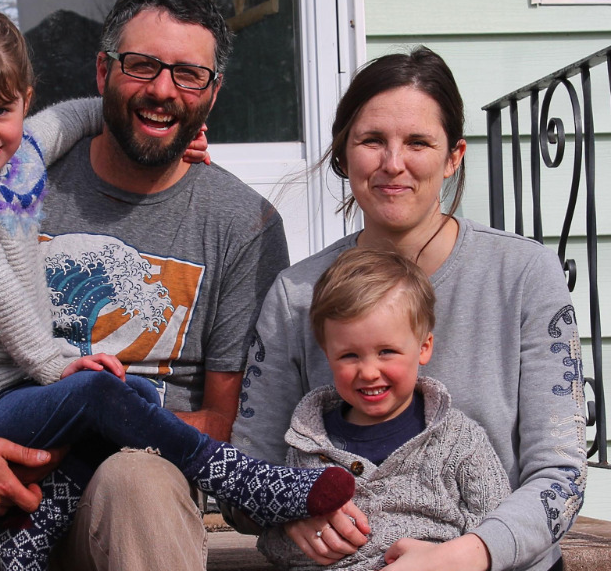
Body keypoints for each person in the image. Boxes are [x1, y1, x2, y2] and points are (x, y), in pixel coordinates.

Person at [0, 0, 300, 571]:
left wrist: (79, 433)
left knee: (140, 483)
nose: (161, 90)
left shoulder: (241, 223)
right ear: (102, 72)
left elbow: (219, 422)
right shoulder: (4, 173)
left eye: (188, 75)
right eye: (141, 66)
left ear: (212, 92)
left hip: (128, 489)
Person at [231, 46, 587, 571]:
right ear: (344, 154)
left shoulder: (524, 274)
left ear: (453, 157)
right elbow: (247, 475)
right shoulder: (295, 294)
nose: (392, 163)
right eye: (371, 140)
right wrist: (289, 513)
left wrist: (468, 555)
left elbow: (562, 474)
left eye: (418, 142)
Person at [256, 247, 512, 570]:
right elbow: (274, 543)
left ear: (423, 347)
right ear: (327, 352)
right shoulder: (309, 445)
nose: (369, 371)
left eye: (387, 351)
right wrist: (298, 533)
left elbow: (498, 528)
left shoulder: (458, 440)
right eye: (350, 355)